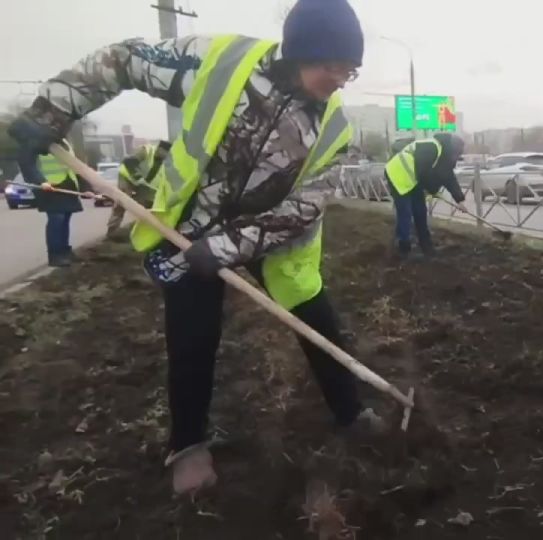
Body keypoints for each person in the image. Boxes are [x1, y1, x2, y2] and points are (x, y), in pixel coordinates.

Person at [9, 0, 382, 496]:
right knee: (192, 335)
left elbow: (306, 205)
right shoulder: (222, 62)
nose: (339, 79)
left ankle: (351, 411)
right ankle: (187, 444)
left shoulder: (335, 129)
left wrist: (228, 247)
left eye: (349, 71)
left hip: (272, 236)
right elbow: (125, 60)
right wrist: (52, 110)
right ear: (301, 52)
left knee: (317, 320)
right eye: (332, 66)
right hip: (189, 228)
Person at [384, 133, 469, 257]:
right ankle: (403, 247)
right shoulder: (431, 147)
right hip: (397, 174)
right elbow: (422, 170)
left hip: (414, 180)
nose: (455, 157)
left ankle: (427, 247)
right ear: (450, 149)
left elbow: (449, 178)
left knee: (420, 212)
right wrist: (432, 189)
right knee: (405, 212)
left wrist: (460, 200)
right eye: (454, 154)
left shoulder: (443, 157)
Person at [29, 140, 95, 267]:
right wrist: (40, 181)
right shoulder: (37, 141)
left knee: (65, 219)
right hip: (50, 187)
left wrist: (86, 188)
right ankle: (55, 255)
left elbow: (75, 167)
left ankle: (65, 251)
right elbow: (29, 165)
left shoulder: (66, 142)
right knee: (56, 220)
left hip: (68, 184)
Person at [105, 141, 171, 240]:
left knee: (149, 203)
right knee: (121, 202)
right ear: (160, 149)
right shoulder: (146, 151)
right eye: (166, 153)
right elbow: (128, 162)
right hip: (127, 177)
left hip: (144, 183)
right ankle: (112, 231)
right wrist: (137, 177)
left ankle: (146, 231)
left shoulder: (164, 162)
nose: (166, 156)